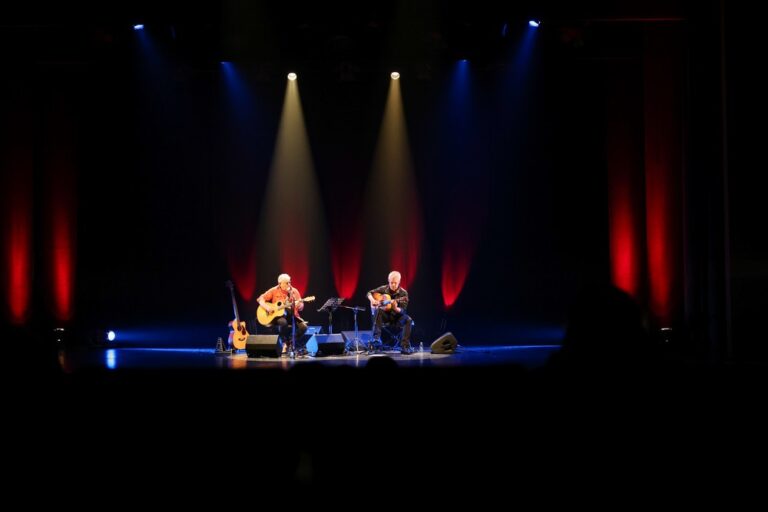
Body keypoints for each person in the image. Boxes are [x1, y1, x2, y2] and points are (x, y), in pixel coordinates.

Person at [257, 273, 308, 355]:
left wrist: (300, 305)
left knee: (304, 327)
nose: (289, 284)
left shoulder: (294, 291)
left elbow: (301, 306)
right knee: (283, 322)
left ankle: (290, 343)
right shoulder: (274, 290)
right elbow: (260, 299)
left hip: (293, 315)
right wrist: (267, 307)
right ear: (280, 283)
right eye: (286, 283)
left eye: (289, 282)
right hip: (279, 316)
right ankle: (284, 342)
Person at [367, 270, 414, 354]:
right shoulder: (383, 289)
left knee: (408, 319)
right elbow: (369, 293)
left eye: (395, 283)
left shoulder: (403, 294)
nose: (393, 285)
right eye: (391, 282)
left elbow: (403, 311)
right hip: (385, 317)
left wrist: (395, 308)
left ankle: (404, 346)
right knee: (378, 310)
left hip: (397, 317)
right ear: (388, 281)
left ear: (399, 281)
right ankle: (376, 341)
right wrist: (373, 300)